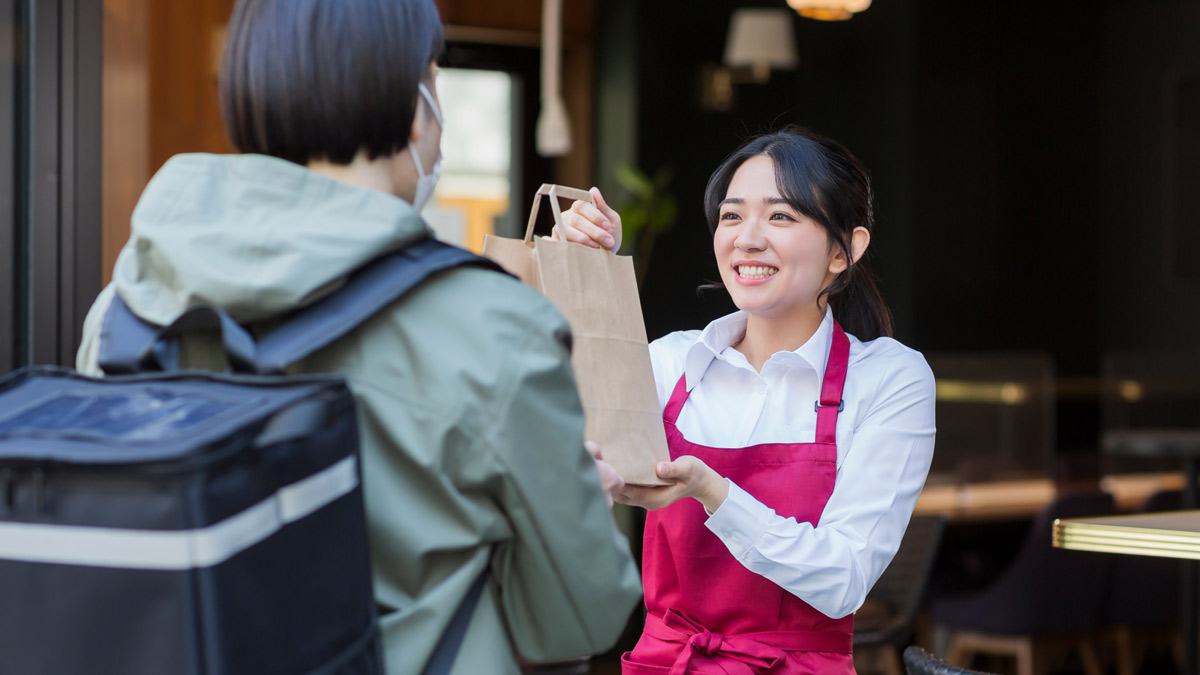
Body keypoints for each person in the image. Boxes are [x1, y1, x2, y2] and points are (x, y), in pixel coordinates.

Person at [74, 0, 642, 673]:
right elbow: (583, 613)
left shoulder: (126, 308)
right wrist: (577, 490)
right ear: (415, 107)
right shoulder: (490, 323)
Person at [553, 127, 936, 674]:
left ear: (845, 250)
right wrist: (585, 276)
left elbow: (843, 578)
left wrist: (714, 493)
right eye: (732, 216)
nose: (747, 239)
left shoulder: (890, 379)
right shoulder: (670, 362)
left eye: (780, 216)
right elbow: (552, 436)